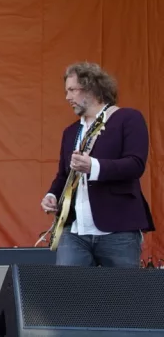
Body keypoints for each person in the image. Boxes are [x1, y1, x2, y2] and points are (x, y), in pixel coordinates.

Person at [40, 62, 154, 268]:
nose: (67, 97)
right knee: (70, 295)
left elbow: (135, 164)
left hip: (118, 230)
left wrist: (93, 166)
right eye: (66, 91)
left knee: (122, 296)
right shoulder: (70, 132)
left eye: (72, 90)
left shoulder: (127, 118)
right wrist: (52, 195)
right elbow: (63, 175)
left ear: (92, 87)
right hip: (75, 232)